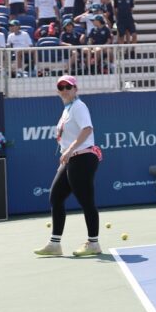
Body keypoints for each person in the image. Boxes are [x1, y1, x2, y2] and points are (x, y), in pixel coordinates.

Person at [34, 76, 103, 257]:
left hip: (83, 158)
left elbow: (87, 129)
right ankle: (55, 244)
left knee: (86, 201)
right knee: (55, 197)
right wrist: (66, 156)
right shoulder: (67, 109)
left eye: (68, 87)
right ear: (58, 91)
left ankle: (93, 243)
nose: (64, 89)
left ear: (75, 89)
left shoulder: (79, 106)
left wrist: (70, 150)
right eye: (61, 87)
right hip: (71, 160)